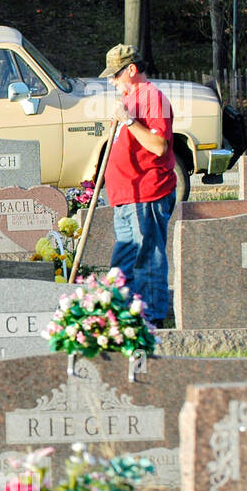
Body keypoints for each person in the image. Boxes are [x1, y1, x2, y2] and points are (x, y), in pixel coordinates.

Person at [100, 44, 176, 324]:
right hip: (125, 196)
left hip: (147, 193)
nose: (112, 81)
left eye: (115, 75)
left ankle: (151, 321)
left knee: (148, 259)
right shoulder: (131, 99)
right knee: (123, 265)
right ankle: (124, 320)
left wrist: (129, 120)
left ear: (131, 69)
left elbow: (158, 146)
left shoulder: (152, 98)